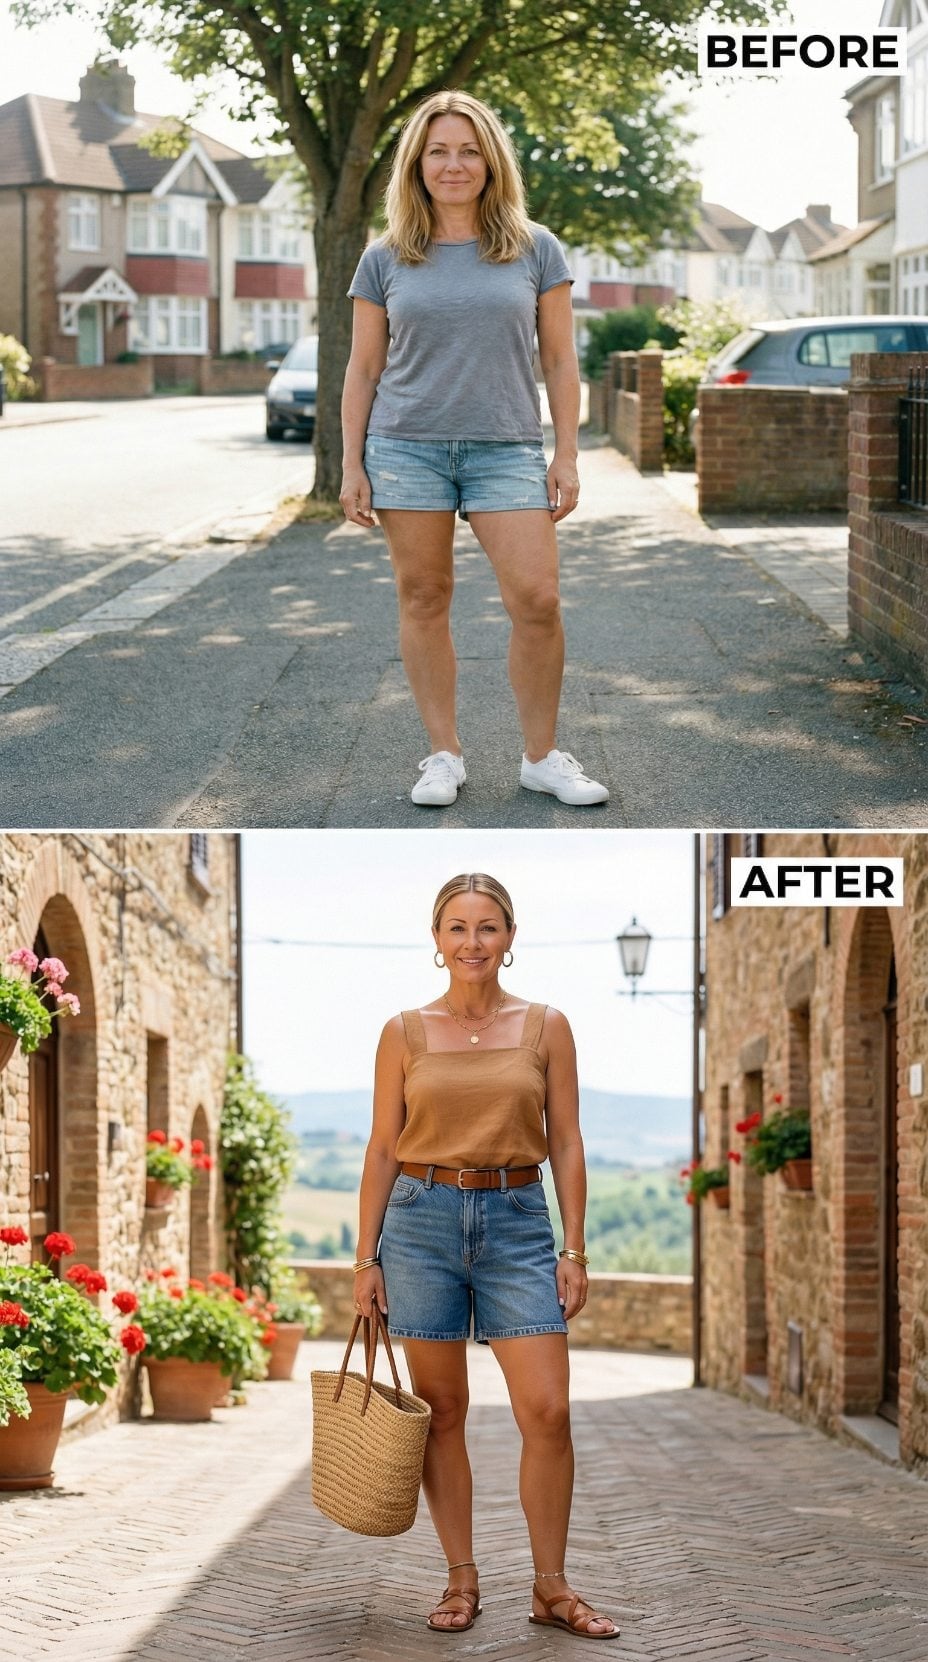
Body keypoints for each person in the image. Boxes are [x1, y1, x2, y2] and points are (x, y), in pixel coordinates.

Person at [352, 872, 619, 1640]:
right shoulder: (403, 1032)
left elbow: (566, 1141)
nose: (474, 942)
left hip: (516, 1221)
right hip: (419, 1222)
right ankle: (461, 1579)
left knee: (549, 1411)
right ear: (436, 941)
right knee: (442, 1415)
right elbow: (379, 1148)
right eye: (458, 928)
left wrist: (573, 1244)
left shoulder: (546, 1027)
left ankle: (551, 1586)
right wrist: (365, 1259)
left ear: (510, 936)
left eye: (489, 927)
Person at [340, 90, 609, 811]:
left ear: (490, 161)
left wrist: (567, 453)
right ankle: (443, 755)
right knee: (424, 597)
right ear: (417, 164)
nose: (453, 164)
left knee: (538, 600)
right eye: (438, 151)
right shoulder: (385, 256)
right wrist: (351, 463)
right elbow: (364, 367)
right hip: (406, 449)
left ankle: (543, 757)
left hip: (506, 448)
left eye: (468, 150)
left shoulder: (534, 247)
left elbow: (558, 360)